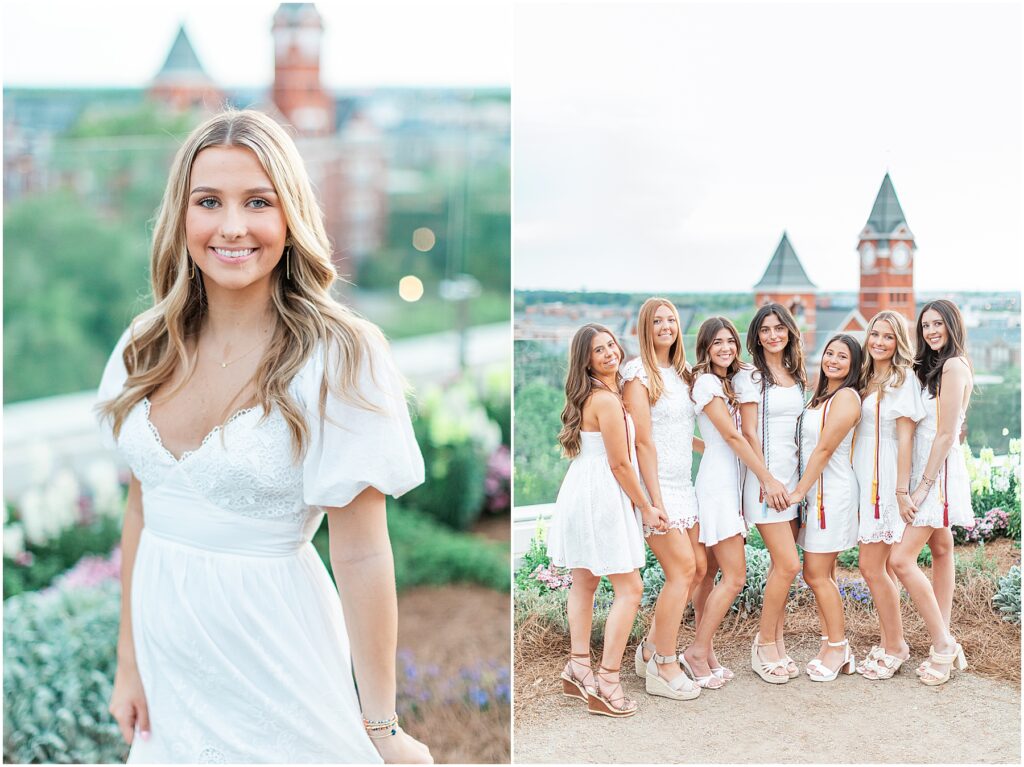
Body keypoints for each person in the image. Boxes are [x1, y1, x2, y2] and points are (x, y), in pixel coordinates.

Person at [96, 109, 432, 764]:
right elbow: (143, 507)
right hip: (170, 688)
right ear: (181, 215)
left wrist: (382, 724)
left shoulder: (339, 355)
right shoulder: (146, 346)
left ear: (291, 215)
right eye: (209, 201)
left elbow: (363, 553)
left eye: (258, 201)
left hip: (276, 664)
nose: (231, 226)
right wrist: (128, 662)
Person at [548, 323, 669, 717]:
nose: (609, 353)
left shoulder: (599, 395)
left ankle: (578, 665)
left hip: (582, 489)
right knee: (630, 588)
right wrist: (647, 506)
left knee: (584, 581)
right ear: (585, 360)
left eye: (611, 345)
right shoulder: (606, 400)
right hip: (602, 494)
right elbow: (619, 463)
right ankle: (607, 680)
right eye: (598, 350)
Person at [678, 317, 790, 688]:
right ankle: (695, 651)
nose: (725, 348)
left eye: (730, 341)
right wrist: (767, 477)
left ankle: (705, 653)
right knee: (736, 576)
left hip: (728, 481)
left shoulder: (727, 381)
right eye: (716, 343)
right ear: (705, 349)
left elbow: (715, 440)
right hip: (720, 487)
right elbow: (732, 436)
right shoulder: (708, 383)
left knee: (709, 574)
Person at [889, 300, 973, 685]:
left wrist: (921, 487)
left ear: (952, 325)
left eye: (938, 324)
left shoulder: (954, 365)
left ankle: (942, 643)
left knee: (901, 560)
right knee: (941, 549)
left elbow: (946, 431)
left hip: (934, 471)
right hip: (929, 465)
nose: (931, 331)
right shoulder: (930, 367)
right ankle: (944, 635)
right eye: (925, 326)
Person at [621, 298, 701, 701]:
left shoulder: (683, 374)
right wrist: (653, 502)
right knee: (681, 570)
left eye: (671, 319)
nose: (666, 326)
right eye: (658, 321)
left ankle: (651, 647)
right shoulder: (638, 375)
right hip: (657, 489)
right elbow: (644, 441)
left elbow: (682, 432)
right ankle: (664, 665)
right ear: (646, 328)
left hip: (683, 484)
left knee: (699, 569)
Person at [851, 310, 926, 681]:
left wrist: (901, 489)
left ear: (899, 342)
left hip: (884, 476)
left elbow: (906, 436)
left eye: (888, 337)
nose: (879, 342)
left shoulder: (902, 378)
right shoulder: (867, 375)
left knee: (870, 566)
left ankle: (896, 645)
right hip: (863, 474)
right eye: (874, 334)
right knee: (877, 569)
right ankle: (887, 640)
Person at [734, 304, 806, 682]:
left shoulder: (796, 374)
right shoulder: (751, 378)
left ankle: (777, 643)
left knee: (785, 569)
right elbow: (748, 434)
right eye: (765, 329)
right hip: (766, 484)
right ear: (756, 336)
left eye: (779, 328)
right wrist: (767, 479)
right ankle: (763, 645)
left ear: (790, 332)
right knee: (790, 563)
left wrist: (798, 485)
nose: (773, 335)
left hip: (793, 485)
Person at [789, 335, 863, 681]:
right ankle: (830, 644)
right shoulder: (819, 397)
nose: (833, 360)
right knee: (825, 575)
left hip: (831, 494)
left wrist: (798, 491)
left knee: (815, 574)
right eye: (830, 353)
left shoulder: (847, 397)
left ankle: (838, 646)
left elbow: (823, 450)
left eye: (842, 356)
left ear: (854, 364)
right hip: (816, 493)